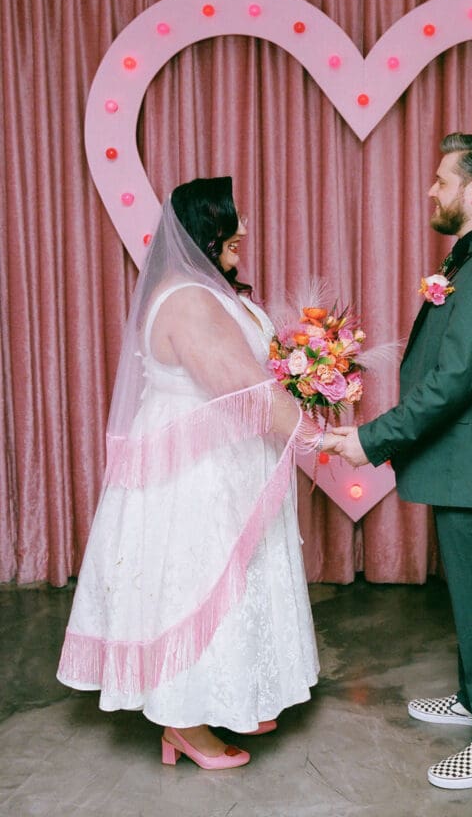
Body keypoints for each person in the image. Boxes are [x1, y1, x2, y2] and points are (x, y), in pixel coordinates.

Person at [58, 176, 321, 770]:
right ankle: (184, 723)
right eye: (235, 220)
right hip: (196, 471)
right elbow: (245, 387)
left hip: (222, 458)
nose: (245, 231)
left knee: (232, 580)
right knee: (198, 582)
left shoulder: (208, 290)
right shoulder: (187, 299)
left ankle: (233, 694)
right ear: (207, 228)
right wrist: (321, 435)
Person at [331, 133, 472, 790]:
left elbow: (454, 382)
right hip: (467, 456)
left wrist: (369, 441)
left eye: (442, 180)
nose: (431, 190)